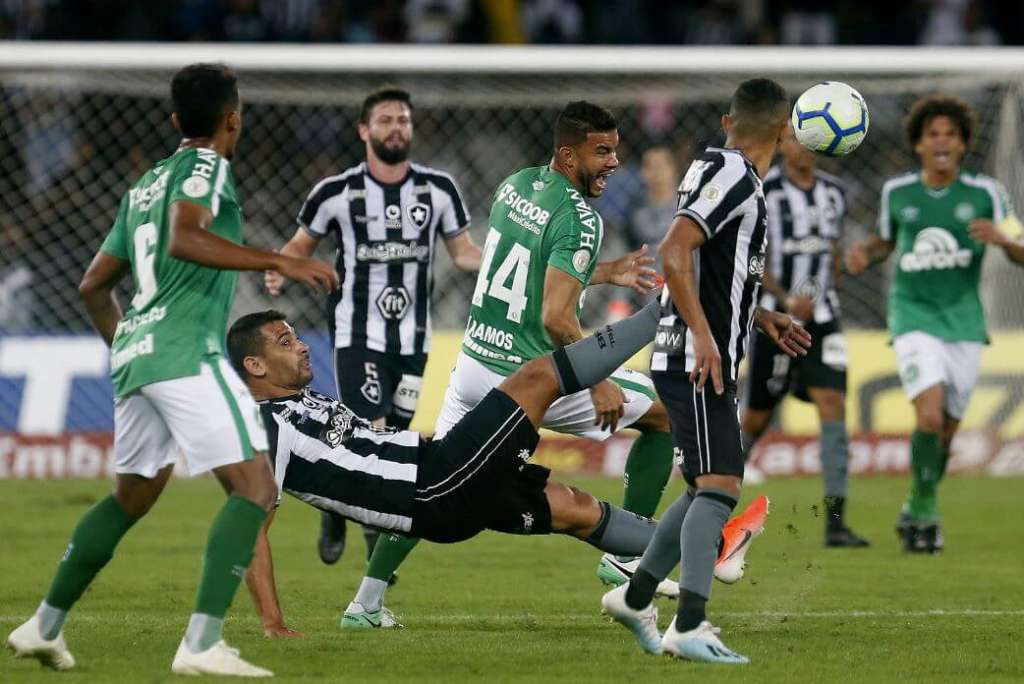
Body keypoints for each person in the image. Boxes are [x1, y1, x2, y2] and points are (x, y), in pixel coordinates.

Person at [5, 63, 338, 677]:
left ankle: (43, 625)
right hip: (185, 349)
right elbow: (187, 239)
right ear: (233, 118)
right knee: (256, 488)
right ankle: (202, 643)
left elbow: (93, 285)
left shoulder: (145, 186)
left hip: (138, 353)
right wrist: (278, 261)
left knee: (132, 496)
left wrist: (130, 344)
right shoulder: (208, 168)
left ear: (174, 120)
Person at [342, 101, 684, 628]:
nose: (614, 162)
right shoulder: (580, 217)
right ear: (569, 155)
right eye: (602, 151)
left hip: (475, 363)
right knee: (664, 415)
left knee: (434, 475)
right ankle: (626, 555)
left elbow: (524, 271)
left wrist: (605, 270)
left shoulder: (518, 185)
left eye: (616, 150)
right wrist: (594, 381)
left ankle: (364, 605)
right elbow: (554, 316)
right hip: (528, 377)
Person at [225, 307, 767, 633]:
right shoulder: (265, 431)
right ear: (254, 366)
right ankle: (660, 311)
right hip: (433, 485)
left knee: (578, 510)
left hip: (438, 487)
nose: (299, 345)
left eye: (295, 335)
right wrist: (273, 625)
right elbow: (249, 531)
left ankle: (713, 547)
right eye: (284, 342)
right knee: (536, 377)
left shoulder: (305, 403)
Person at [603, 78, 810, 664]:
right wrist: (703, 333)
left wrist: (758, 313)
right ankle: (689, 624)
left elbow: (715, 266)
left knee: (701, 488)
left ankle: (635, 595)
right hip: (696, 358)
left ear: (727, 122)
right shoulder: (734, 175)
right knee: (720, 489)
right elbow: (675, 250)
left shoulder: (715, 168)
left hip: (696, 349)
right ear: (784, 129)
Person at [264, 87, 482, 582]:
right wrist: (281, 268)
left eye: (403, 119)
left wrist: (509, 260)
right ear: (364, 131)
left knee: (398, 436)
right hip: (357, 335)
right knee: (372, 429)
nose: (395, 128)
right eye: (385, 120)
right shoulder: (336, 192)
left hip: (414, 340)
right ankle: (371, 540)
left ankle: (335, 508)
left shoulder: (438, 189)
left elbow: (463, 251)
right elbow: (299, 246)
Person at [845, 94, 1024, 553]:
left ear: (963, 144)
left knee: (945, 430)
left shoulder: (986, 193)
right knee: (927, 413)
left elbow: (1021, 250)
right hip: (913, 315)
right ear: (919, 144)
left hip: (964, 321)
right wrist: (866, 251)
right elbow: (887, 241)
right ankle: (925, 511)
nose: (942, 142)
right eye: (933, 135)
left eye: (951, 135)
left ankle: (917, 501)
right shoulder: (898, 192)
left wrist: (1003, 239)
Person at [740, 124, 870, 548]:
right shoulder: (764, 191)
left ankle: (837, 522)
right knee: (756, 419)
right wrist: (785, 298)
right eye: (797, 138)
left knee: (833, 405)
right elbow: (756, 260)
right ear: (781, 143)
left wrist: (828, 282)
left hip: (824, 319)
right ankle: (708, 496)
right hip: (778, 321)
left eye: (812, 139)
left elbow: (831, 252)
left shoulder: (834, 192)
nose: (805, 147)